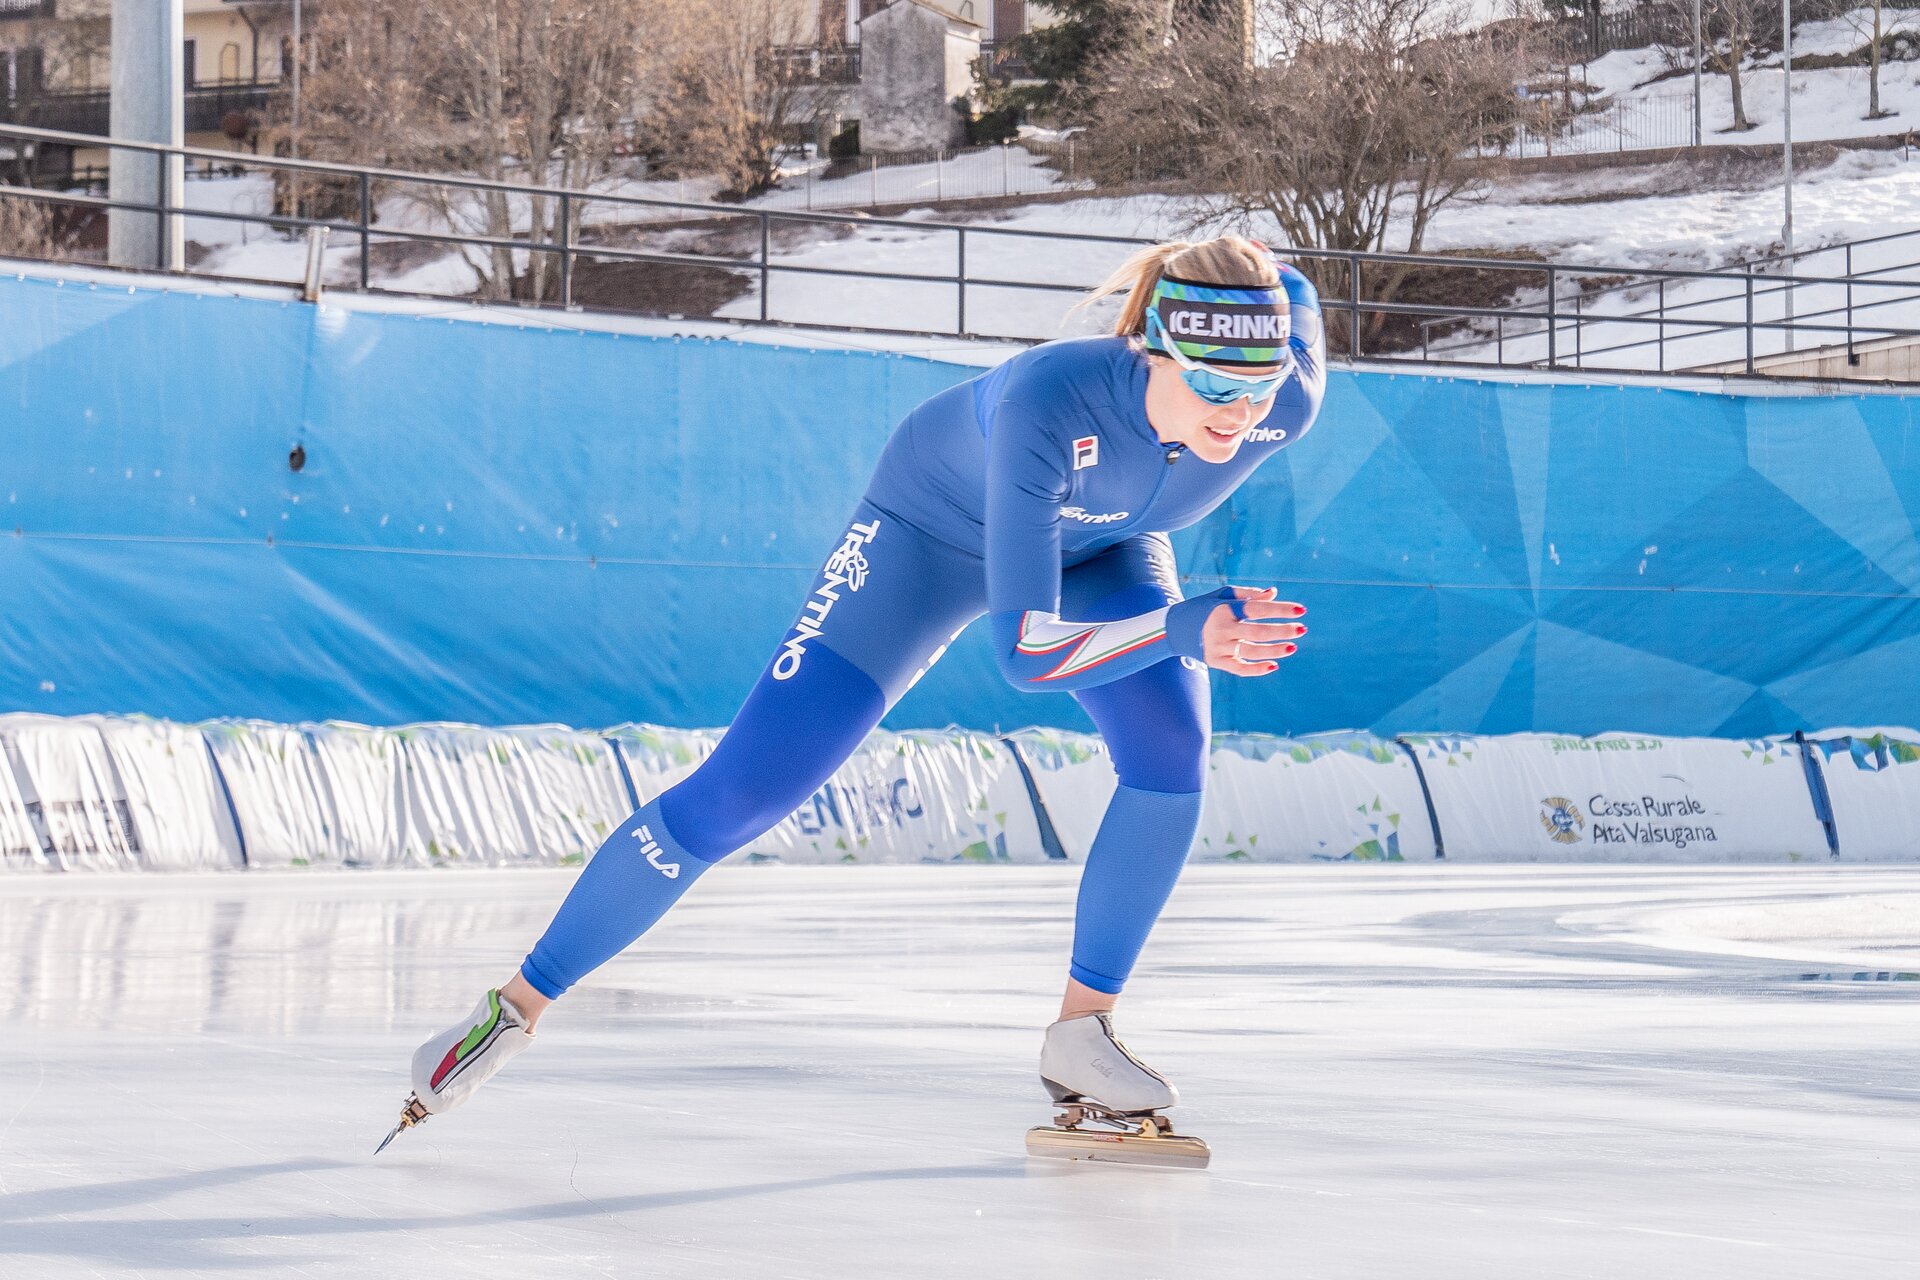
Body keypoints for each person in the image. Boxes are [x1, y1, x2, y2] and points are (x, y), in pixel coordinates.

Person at [386, 235, 1326, 1152]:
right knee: (745, 792)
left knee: (1170, 753)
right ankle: (511, 1010)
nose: (1239, 414)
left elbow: (1287, 288)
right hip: (928, 536)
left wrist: (1254, 285)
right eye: (1211, 384)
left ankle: (1083, 1034)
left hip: (1104, 550)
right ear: (1148, 347)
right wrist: (1177, 628)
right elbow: (1028, 654)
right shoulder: (1052, 398)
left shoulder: (1292, 394)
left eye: (1259, 386)